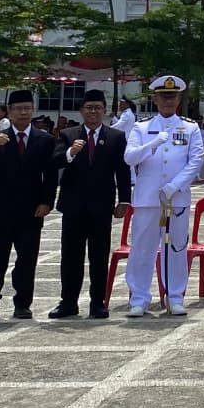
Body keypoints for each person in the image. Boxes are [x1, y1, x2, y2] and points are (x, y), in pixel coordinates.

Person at [0, 89, 58, 320]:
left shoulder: (45, 140)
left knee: (27, 260)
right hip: (0, 210)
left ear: (33, 110)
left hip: (31, 210)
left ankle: (23, 304)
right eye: (18, 109)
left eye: (27, 108)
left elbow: (50, 175)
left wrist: (47, 202)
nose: (23, 113)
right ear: (9, 111)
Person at [122, 75, 204, 317]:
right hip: (147, 199)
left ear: (178, 100)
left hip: (176, 199)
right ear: (155, 100)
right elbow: (130, 157)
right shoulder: (141, 127)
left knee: (176, 248)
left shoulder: (190, 127)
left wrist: (175, 186)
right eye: (163, 97)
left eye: (172, 97)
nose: (168, 102)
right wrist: (153, 144)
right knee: (142, 249)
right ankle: (139, 298)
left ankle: (175, 296)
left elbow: (196, 160)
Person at [50, 88, 131, 320]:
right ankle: (68, 302)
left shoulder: (116, 137)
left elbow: (122, 171)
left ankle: (98, 302)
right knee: (71, 257)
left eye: (98, 108)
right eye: (89, 108)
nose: (93, 112)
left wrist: (124, 200)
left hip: (101, 206)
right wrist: (70, 153)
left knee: (99, 256)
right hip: (73, 206)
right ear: (81, 111)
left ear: (104, 111)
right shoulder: (68, 134)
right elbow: (54, 162)